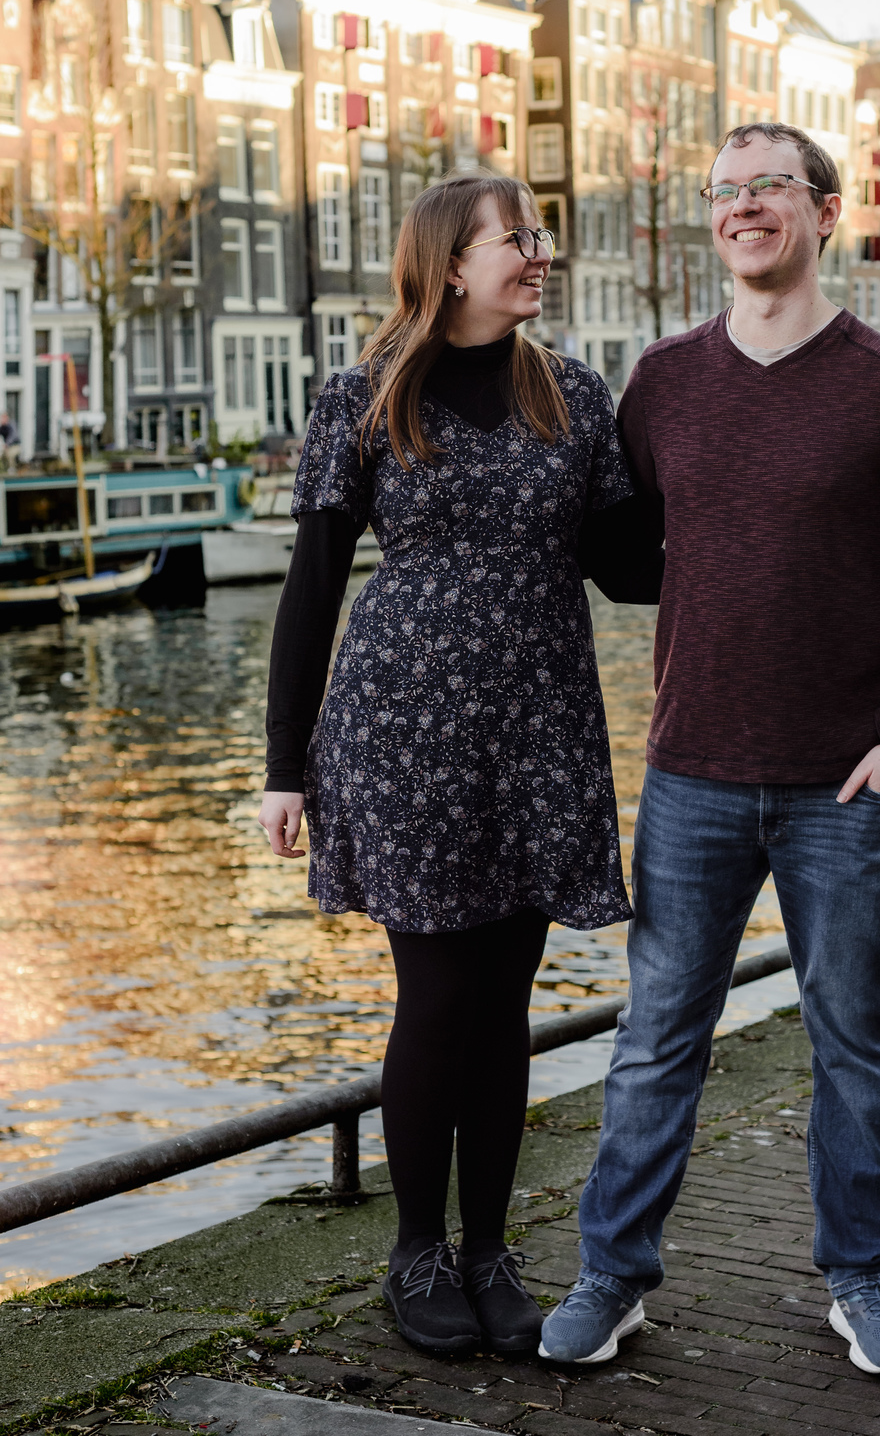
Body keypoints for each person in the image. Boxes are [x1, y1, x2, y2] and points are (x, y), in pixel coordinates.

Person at [540, 123, 880, 1375]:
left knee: (853, 1035)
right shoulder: (663, 381)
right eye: (723, 193)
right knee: (656, 1038)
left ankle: (863, 1278)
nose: (742, 209)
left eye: (768, 188)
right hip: (691, 774)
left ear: (823, 212)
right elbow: (622, 557)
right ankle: (612, 1275)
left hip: (848, 780)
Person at [259, 174, 661, 1358]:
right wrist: (286, 767)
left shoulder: (573, 393)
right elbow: (312, 588)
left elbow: (625, 568)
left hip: (539, 729)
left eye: (540, 237)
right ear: (449, 264)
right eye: (517, 240)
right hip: (404, 732)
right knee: (438, 996)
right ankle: (417, 1252)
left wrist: (742, 498)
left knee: (504, 1005)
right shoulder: (366, 394)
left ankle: (490, 1249)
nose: (540, 254)